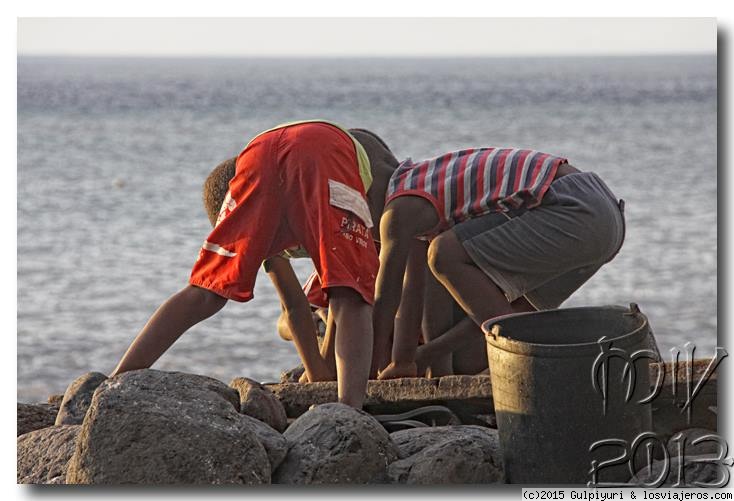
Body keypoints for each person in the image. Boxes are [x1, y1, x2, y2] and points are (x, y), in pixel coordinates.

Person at [111, 120, 397, 408]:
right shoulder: (294, 212)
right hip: (305, 149)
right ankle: (348, 409)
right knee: (350, 293)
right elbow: (303, 303)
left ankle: (117, 380)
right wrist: (318, 374)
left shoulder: (267, 224)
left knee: (205, 291)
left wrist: (319, 371)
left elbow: (295, 305)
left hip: (262, 154)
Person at [372, 147, 625, 379]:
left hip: (571, 202)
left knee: (443, 253)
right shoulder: (428, 196)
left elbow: (388, 297)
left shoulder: (401, 204)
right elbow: (416, 292)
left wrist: (374, 370)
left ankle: (535, 370)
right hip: (606, 215)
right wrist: (419, 359)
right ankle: (564, 366)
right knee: (509, 320)